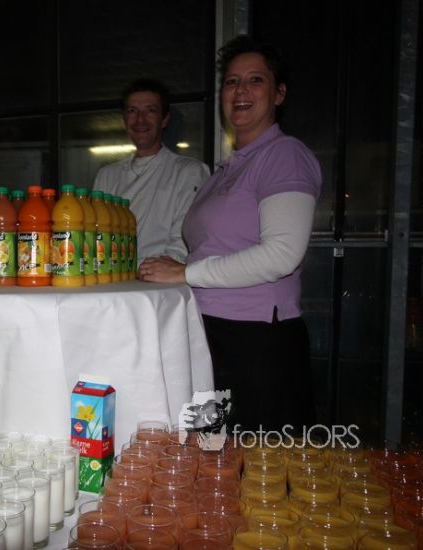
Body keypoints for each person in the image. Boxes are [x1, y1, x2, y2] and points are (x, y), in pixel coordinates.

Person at [138, 35, 322, 434]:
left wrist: (185, 273)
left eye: (255, 80)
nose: (240, 91)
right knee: (211, 451)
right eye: (232, 82)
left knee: (254, 462)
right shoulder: (228, 169)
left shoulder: (283, 155)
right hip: (212, 331)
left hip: (256, 342)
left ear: (279, 93)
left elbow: (282, 255)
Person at [93, 79, 210, 266]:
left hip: (159, 276)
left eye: (150, 110)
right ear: (124, 119)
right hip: (111, 275)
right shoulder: (107, 175)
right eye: (132, 111)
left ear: (164, 119)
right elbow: (95, 234)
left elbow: (184, 240)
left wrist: (158, 269)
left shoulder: (190, 171)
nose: (140, 119)